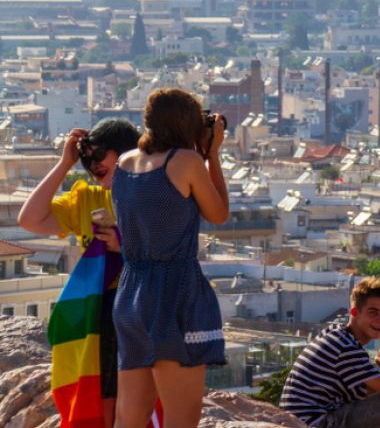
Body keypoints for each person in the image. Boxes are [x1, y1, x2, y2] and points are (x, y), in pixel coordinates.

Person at [111, 88, 230, 428]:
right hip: (174, 294)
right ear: (186, 122)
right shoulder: (187, 162)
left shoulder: (124, 162)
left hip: (131, 294)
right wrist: (213, 155)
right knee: (183, 417)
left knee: (129, 416)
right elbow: (219, 214)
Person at [18, 118, 142, 428]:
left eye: (100, 155)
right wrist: (64, 164)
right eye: (87, 159)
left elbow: (172, 255)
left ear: (126, 153)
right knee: (100, 393)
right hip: (95, 314)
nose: (93, 165)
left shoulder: (151, 198)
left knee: (123, 395)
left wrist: (122, 247)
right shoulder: (87, 198)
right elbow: (30, 220)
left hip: (136, 309)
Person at [280, 277, 380, 428]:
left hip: (304, 420)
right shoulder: (347, 347)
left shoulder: (335, 332)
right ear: (355, 313)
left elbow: (367, 389)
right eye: (373, 312)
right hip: (317, 423)